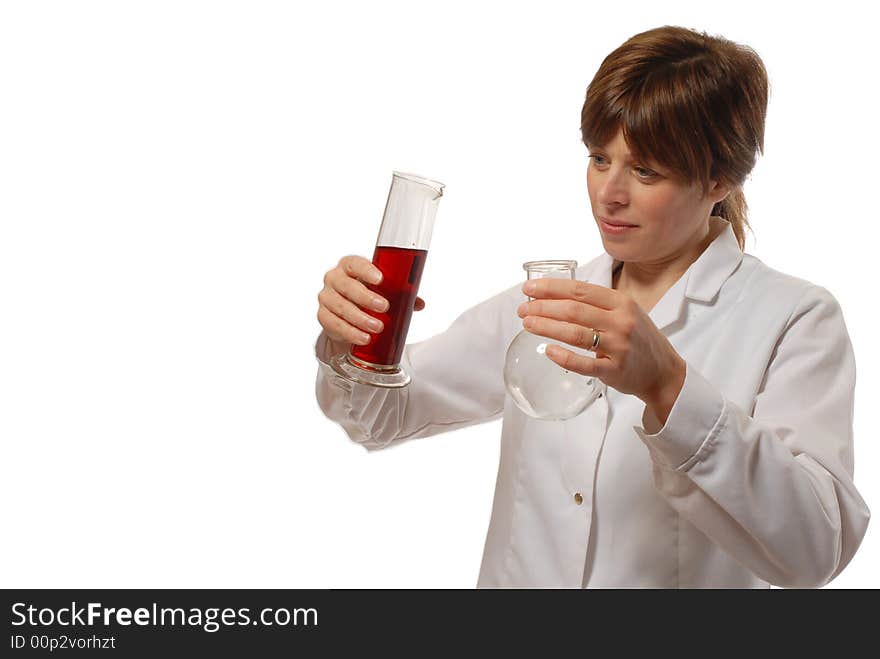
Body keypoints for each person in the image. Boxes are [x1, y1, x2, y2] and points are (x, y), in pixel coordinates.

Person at [313, 25, 870, 588]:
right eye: (600, 159)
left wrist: (669, 388)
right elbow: (383, 416)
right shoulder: (546, 301)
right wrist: (352, 340)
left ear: (719, 177)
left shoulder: (795, 319)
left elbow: (816, 548)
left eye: (646, 170)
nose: (610, 193)